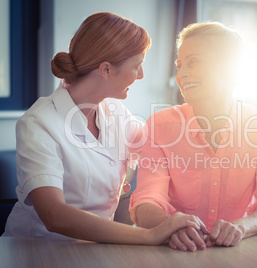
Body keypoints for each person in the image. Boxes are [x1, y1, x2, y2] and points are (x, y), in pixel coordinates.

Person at [2, 12, 206, 245]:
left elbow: (160, 145)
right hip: (37, 249)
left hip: (94, 250)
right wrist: (149, 235)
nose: (141, 75)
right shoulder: (39, 123)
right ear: (106, 69)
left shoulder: (115, 112)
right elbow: (54, 215)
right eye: (137, 66)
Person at [129, 22, 257, 252]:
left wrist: (241, 227)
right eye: (179, 65)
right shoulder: (161, 125)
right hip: (174, 252)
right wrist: (171, 227)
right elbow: (146, 202)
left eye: (193, 62)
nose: (182, 74)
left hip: (236, 254)